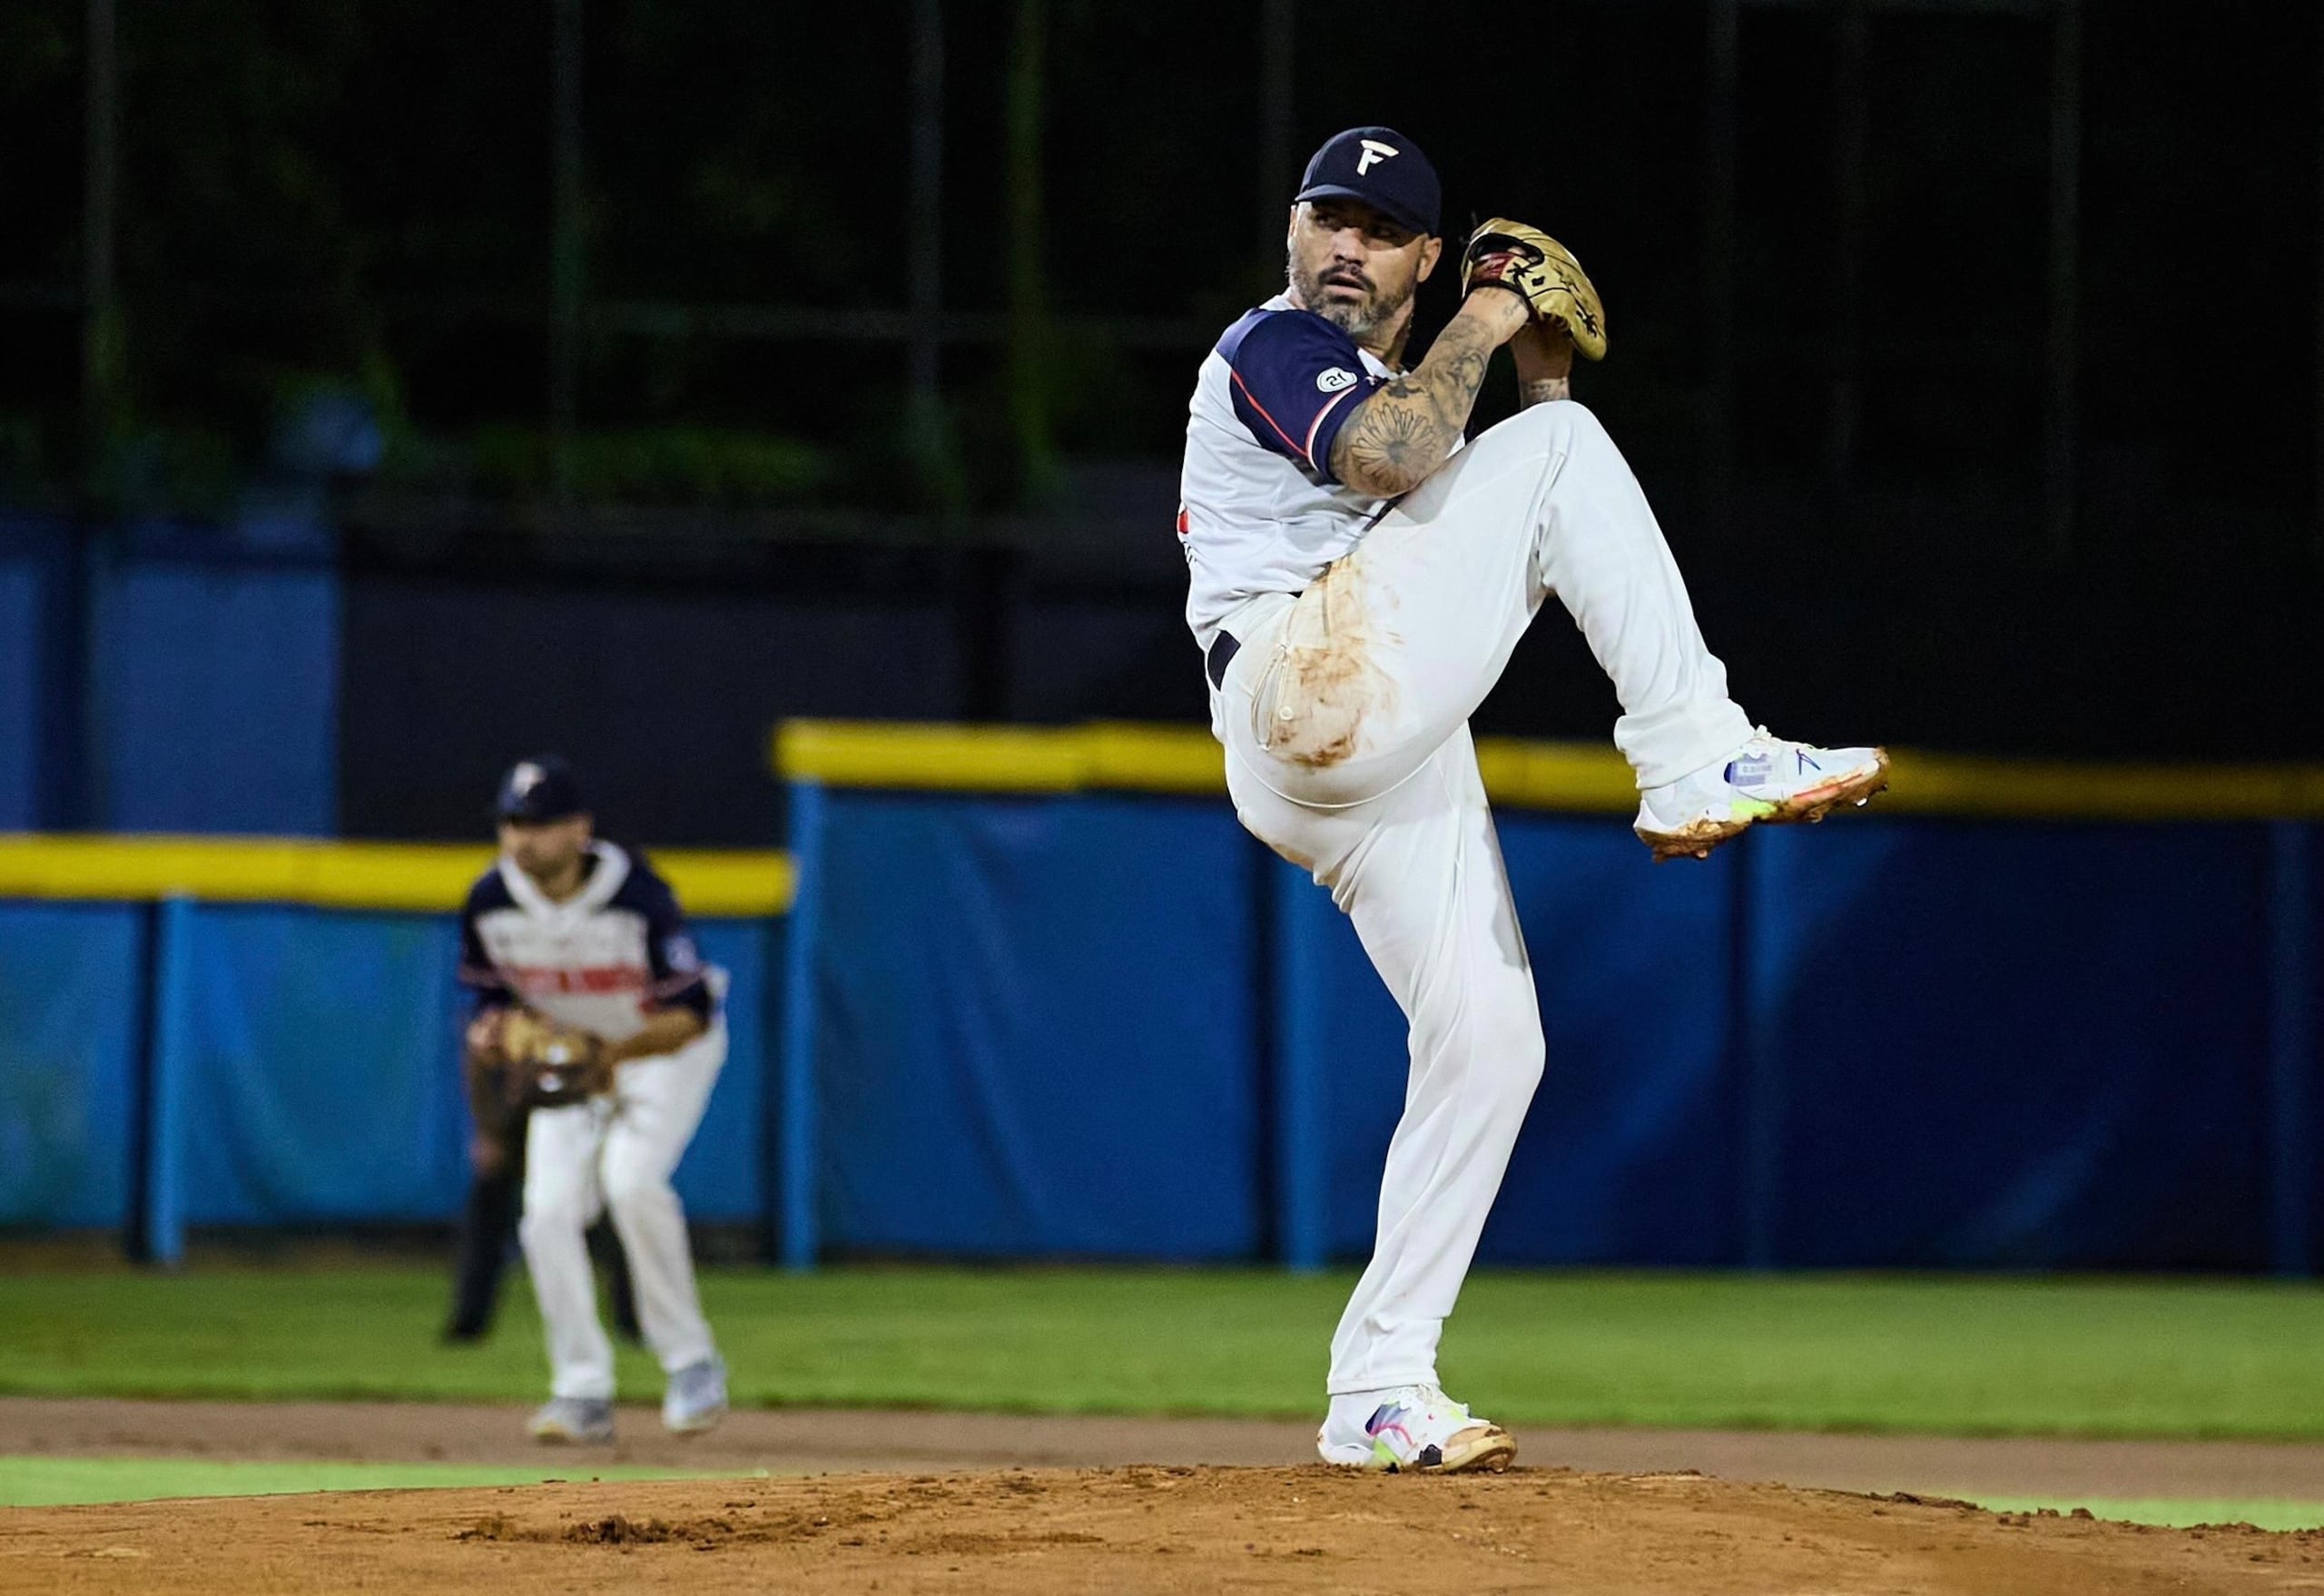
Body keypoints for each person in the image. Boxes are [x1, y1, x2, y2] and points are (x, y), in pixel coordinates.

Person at [1178, 127, 1886, 1473]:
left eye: (1379, 229)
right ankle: (1696, 750)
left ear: (1421, 259)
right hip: (1298, 682)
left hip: (1365, 734)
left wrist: (1537, 353)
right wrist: (1500, 314)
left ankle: (1378, 1387)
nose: (1344, 245)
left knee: (1493, 1039)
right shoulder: (1272, 346)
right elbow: (1394, 457)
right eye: (1328, 215)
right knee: (1557, 451)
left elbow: (1512, 504)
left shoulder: (1410, 376)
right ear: (1289, 228)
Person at [457, 755, 731, 1443]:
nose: (523, 840)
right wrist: (502, 1032)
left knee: (631, 1185)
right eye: (512, 824)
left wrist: (614, 1056)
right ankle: (581, 1391)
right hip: (572, 1056)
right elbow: (491, 1002)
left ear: (579, 829)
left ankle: (692, 1364)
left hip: (660, 1054)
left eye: (540, 825)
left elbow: (693, 1011)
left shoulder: (636, 895)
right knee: (546, 1213)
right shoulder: (490, 900)